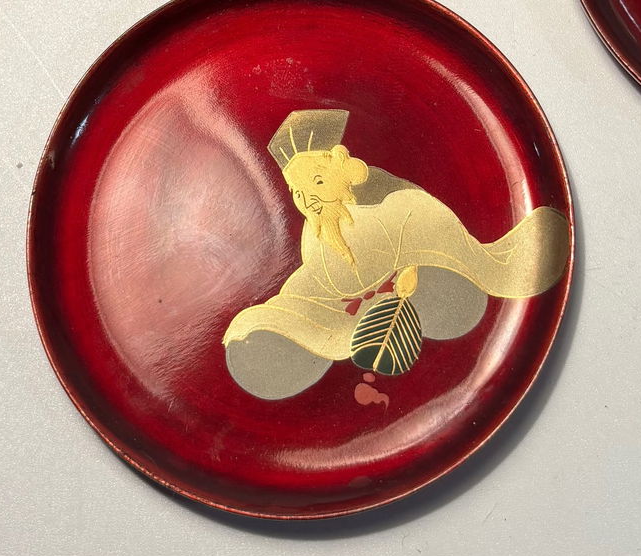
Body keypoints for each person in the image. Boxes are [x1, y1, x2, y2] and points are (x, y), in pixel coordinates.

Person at [222, 109, 569, 401]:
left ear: (341, 170)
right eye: (298, 193)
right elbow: (315, 277)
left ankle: (447, 293)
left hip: (409, 278)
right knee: (289, 308)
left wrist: (412, 267)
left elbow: (426, 226)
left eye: (317, 183)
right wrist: (287, 307)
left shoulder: (394, 205)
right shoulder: (316, 231)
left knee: (434, 263)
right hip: (348, 307)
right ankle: (281, 349)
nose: (308, 198)